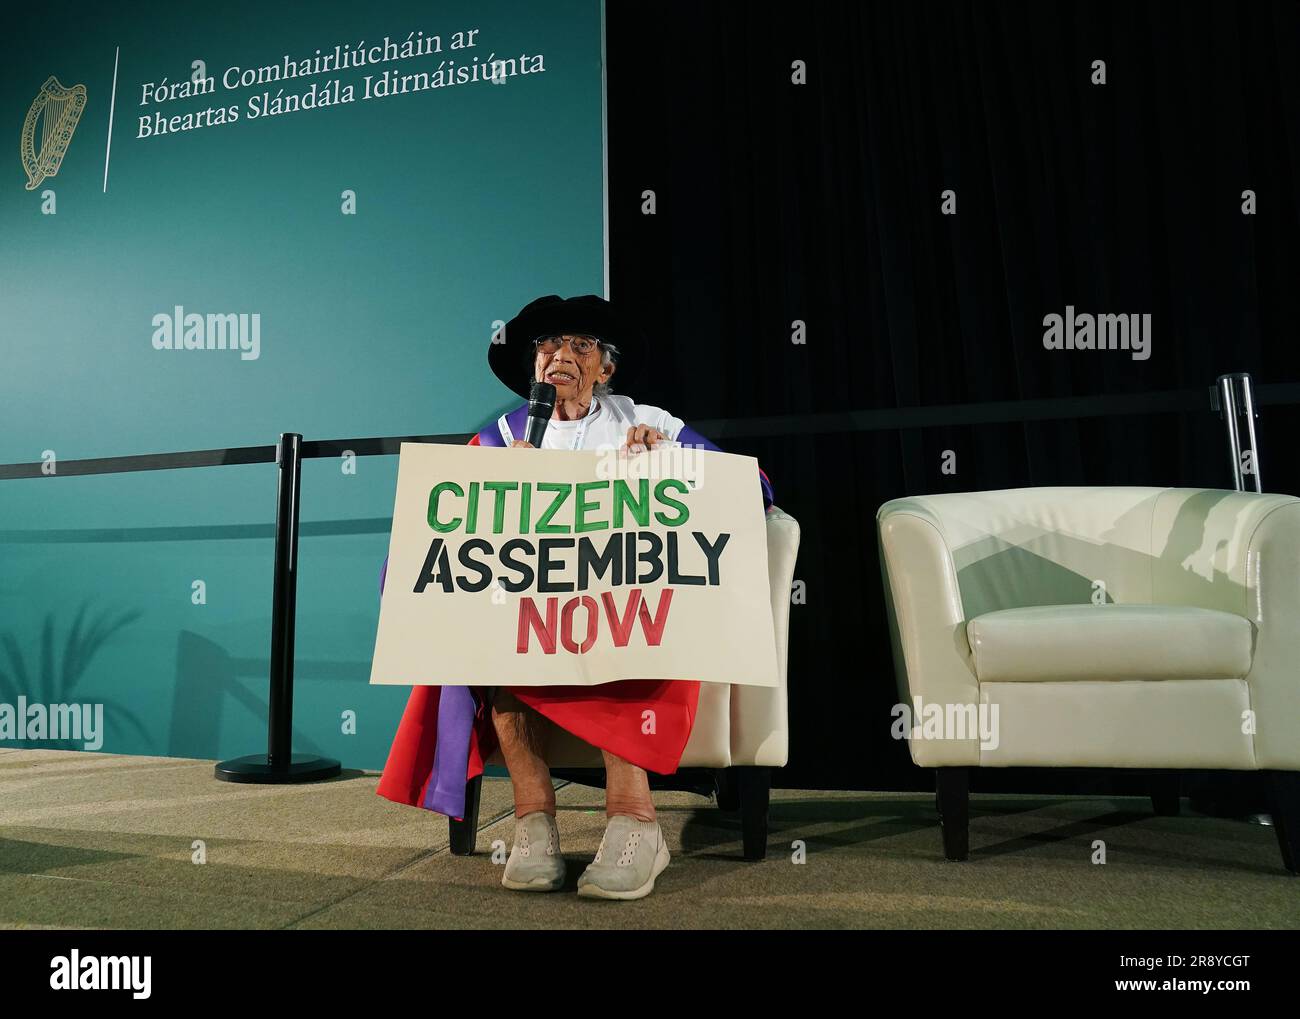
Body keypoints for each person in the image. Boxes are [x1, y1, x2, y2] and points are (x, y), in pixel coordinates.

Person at [375, 294, 773, 900]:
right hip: (530, 618)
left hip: (626, 613)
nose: (559, 355)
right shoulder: (500, 439)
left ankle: (634, 823)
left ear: (605, 369)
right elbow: (437, 537)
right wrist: (494, 481)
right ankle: (534, 822)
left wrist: (671, 461)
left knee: (628, 636)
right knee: (495, 650)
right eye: (547, 346)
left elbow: (754, 489)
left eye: (579, 345)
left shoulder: (649, 421)